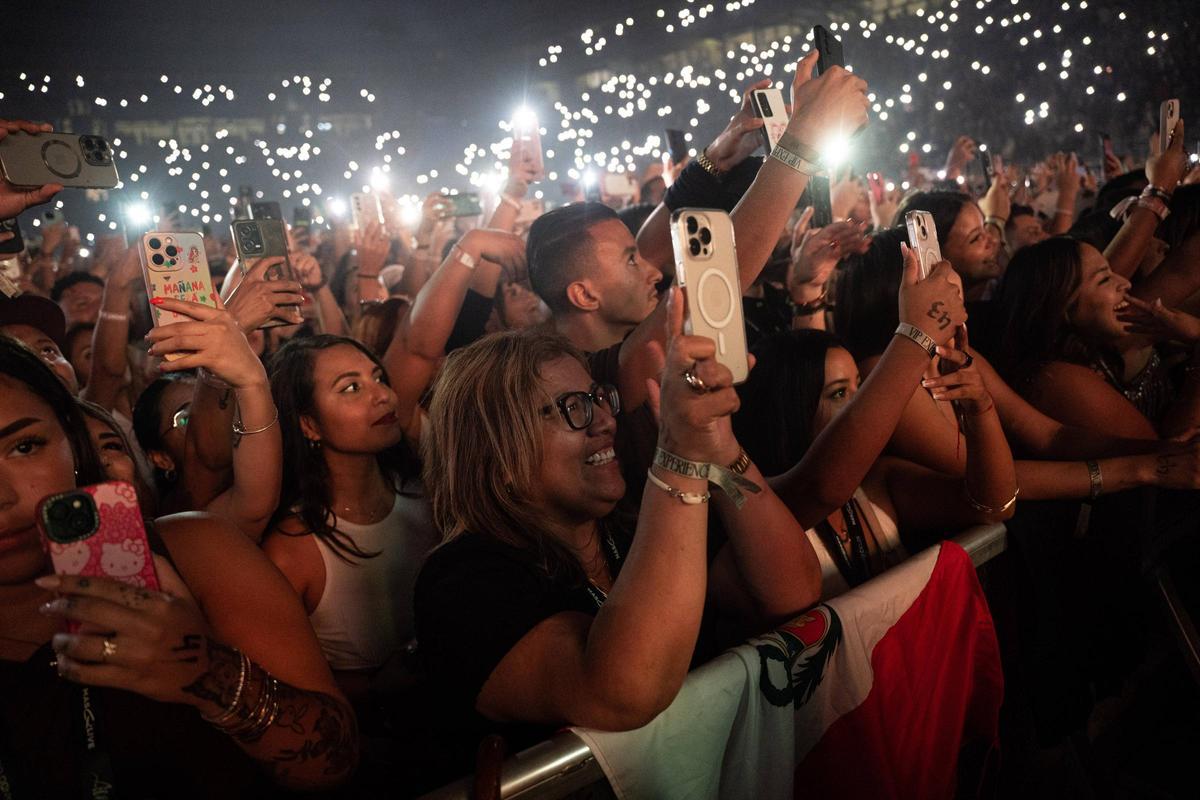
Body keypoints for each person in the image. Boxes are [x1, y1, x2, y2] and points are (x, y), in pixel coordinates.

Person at [415, 291, 821, 772]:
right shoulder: (462, 580)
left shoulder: (632, 528)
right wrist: (677, 459)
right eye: (573, 407)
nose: (605, 421)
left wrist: (720, 449)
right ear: (498, 454)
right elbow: (623, 693)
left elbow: (790, 590)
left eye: (597, 398)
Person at [0, 336, 357, 795]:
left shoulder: (195, 552)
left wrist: (207, 672)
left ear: (72, 437)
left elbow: (336, 760)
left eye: (25, 446)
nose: (3, 496)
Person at [734, 327, 1016, 597]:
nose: (862, 406)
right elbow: (821, 489)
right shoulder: (763, 507)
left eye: (862, 387)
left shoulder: (878, 480)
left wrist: (980, 408)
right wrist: (916, 331)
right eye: (840, 393)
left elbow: (992, 506)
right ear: (790, 412)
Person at [262, 334, 437, 698]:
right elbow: (288, 686)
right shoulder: (293, 548)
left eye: (379, 378)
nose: (383, 395)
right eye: (351, 388)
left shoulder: (428, 494)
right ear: (308, 424)